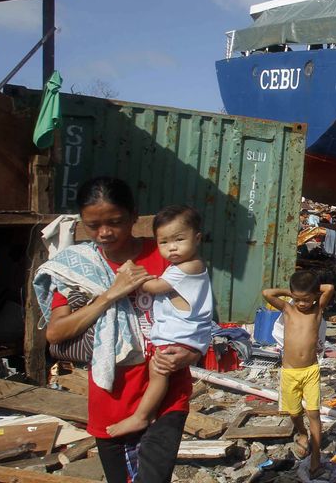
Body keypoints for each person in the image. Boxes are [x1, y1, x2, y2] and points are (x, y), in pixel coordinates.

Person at [37, 177, 200, 483]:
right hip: (111, 399)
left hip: (166, 392)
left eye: (115, 222)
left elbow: (200, 312)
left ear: (134, 216)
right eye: (93, 225)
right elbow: (56, 332)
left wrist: (191, 352)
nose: (105, 233)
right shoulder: (77, 267)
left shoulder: (165, 254)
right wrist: (110, 295)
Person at [106, 205, 213, 437]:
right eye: (163, 242)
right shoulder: (185, 267)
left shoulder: (188, 266)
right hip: (185, 335)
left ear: (197, 238)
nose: (172, 247)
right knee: (160, 374)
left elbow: (155, 287)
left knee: (158, 373)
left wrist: (131, 273)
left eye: (179, 239)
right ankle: (150, 412)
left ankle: (140, 417)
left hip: (178, 335)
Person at [262, 271, 335, 477]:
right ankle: (302, 434)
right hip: (290, 372)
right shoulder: (288, 309)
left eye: (307, 299)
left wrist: (310, 291)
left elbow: (328, 288)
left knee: (314, 413)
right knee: (294, 413)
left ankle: (315, 458)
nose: (302, 304)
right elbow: (267, 293)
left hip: (310, 371)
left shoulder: (317, 310)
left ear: (314, 297)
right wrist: (292, 293)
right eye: (298, 299)